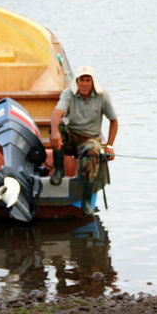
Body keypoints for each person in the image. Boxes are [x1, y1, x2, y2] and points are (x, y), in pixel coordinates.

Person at [49, 66, 118, 215]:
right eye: (81, 80)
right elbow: (57, 113)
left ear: (93, 82)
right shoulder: (68, 93)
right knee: (57, 128)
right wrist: (55, 132)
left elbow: (114, 121)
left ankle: (86, 198)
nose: (84, 84)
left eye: (88, 80)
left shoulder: (102, 96)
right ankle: (59, 170)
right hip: (72, 135)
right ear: (77, 81)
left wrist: (109, 145)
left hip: (89, 138)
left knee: (91, 151)